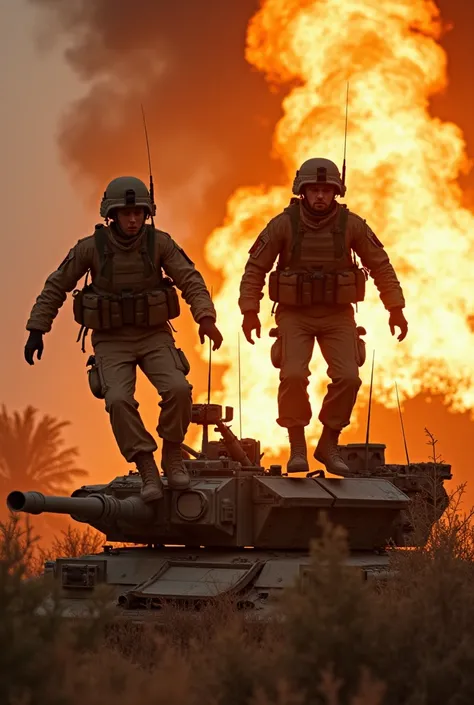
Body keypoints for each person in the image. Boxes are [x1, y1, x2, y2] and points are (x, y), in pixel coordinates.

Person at [24, 176, 223, 502]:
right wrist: (37, 329)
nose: (133, 220)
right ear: (111, 215)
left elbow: (190, 279)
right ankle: (145, 465)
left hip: (154, 336)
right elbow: (56, 285)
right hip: (111, 340)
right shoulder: (91, 248)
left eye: (139, 213)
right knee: (117, 400)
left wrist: (206, 318)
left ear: (147, 214)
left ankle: (172, 454)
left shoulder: (159, 243)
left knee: (178, 389)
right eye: (126, 213)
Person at [238, 158, 407, 475]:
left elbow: (381, 266)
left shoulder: (352, 225)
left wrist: (395, 308)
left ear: (336, 192)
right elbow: (255, 268)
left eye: (326, 190)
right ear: (302, 191)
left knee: (349, 377)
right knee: (293, 376)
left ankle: (329, 442)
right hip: (294, 316)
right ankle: (297, 445)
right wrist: (250, 311)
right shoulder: (283, 224)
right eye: (313, 190)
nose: (319, 197)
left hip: (338, 316)